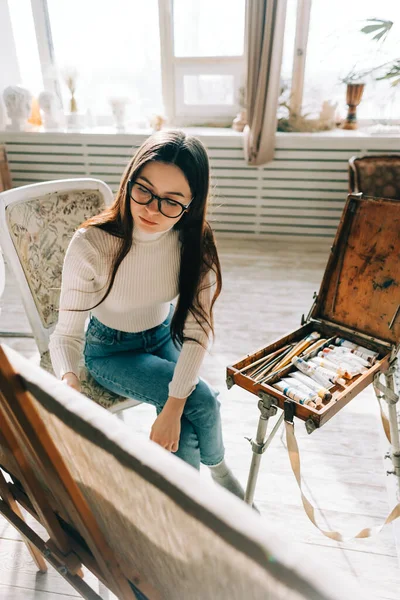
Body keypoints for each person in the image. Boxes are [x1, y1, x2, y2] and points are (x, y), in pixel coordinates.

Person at [49, 129, 246, 501]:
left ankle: (211, 478)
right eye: (144, 191)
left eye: (172, 202)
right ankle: (196, 501)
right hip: (111, 351)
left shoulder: (194, 243)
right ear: (129, 181)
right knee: (197, 409)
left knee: (192, 411)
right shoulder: (91, 243)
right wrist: (69, 383)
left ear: (192, 204)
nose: (153, 210)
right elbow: (66, 334)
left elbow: (197, 332)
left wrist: (172, 408)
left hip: (162, 336)